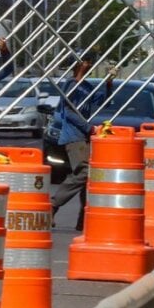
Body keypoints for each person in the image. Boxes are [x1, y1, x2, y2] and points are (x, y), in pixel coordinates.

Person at [50, 50, 116, 231]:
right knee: (84, 172)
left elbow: (104, 102)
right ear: (78, 64)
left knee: (88, 178)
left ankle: (84, 219)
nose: (90, 65)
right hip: (73, 136)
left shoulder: (87, 86)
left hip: (84, 137)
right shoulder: (69, 85)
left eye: (90, 61)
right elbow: (69, 112)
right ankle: (52, 205)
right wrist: (89, 128)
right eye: (86, 61)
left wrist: (108, 84)